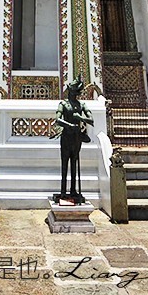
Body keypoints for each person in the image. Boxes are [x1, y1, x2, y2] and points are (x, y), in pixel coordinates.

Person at [51, 75, 93, 203]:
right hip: (66, 136)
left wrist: (79, 118)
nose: (75, 95)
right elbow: (57, 119)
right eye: (74, 92)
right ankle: (63, 191)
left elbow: (90, 119)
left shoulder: (81, 105)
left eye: (77, 93)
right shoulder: (63, 104)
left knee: (74, 163)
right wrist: (70, 125)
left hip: (76, 138)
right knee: (65, 163)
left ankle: (73, 190)